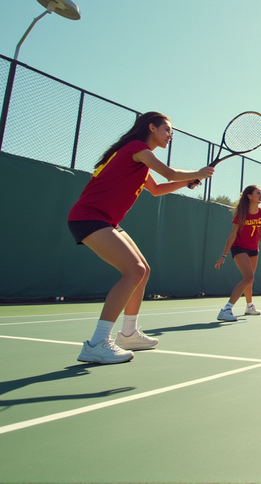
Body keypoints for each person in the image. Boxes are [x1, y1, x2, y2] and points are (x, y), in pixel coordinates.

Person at [68, 111, 214, 364]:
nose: (170, 135)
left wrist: (188, 181)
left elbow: (157, 189)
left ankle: (129, 333)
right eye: (167, 130)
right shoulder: (136, 148)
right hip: (89, 217)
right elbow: (169, 173)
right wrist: (197, 172)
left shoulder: (138, 159)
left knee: (143, 270)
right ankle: (97, 343)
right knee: (133, 270)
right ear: (151, 128)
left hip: (106, 220)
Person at [214, 185, 261, 321]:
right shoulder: (241, 213)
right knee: (249, 278)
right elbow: (233, 235)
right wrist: (223, 256)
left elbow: (260, 235)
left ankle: (249, 306)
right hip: (239, 248)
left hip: (254, 249)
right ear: (249, 196)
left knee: (250, 279)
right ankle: (226, 309)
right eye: (258, 193)